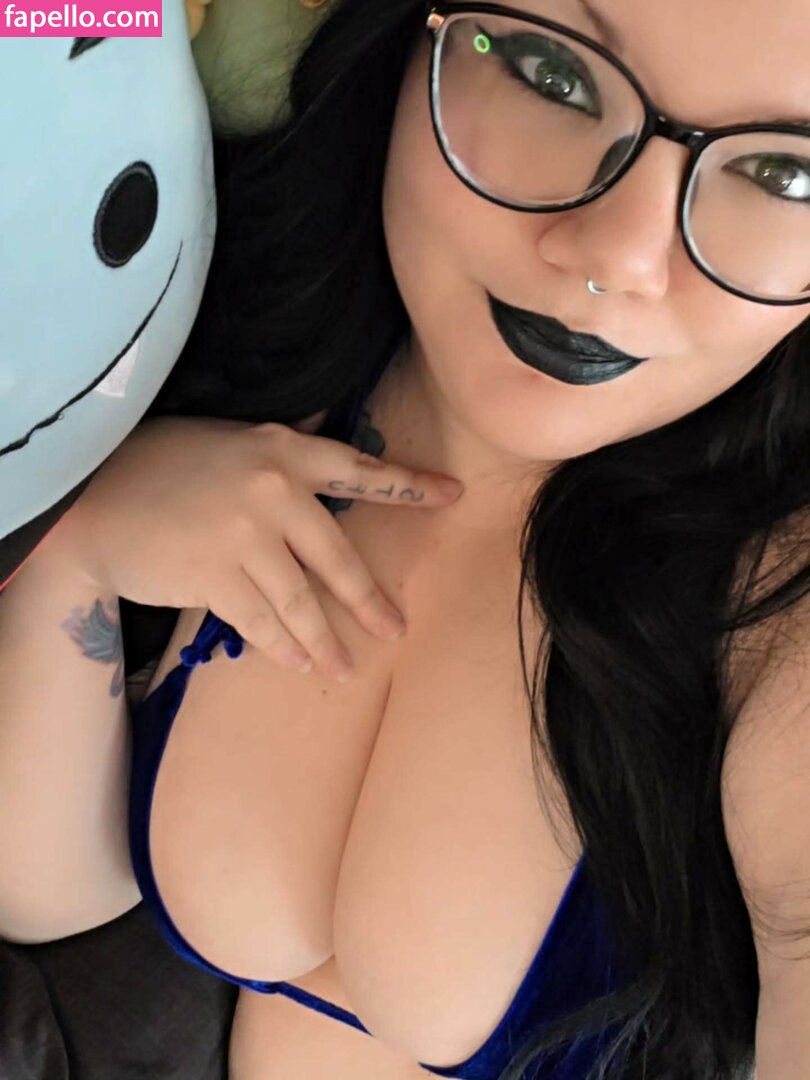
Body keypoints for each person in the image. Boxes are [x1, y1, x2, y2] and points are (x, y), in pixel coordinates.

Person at [1, 0, 809, 1076]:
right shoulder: (206, 328)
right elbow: (51, 892)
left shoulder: (778, 614)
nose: (616, 255)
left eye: (785, 174)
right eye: (552, 74)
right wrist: (82, 538)